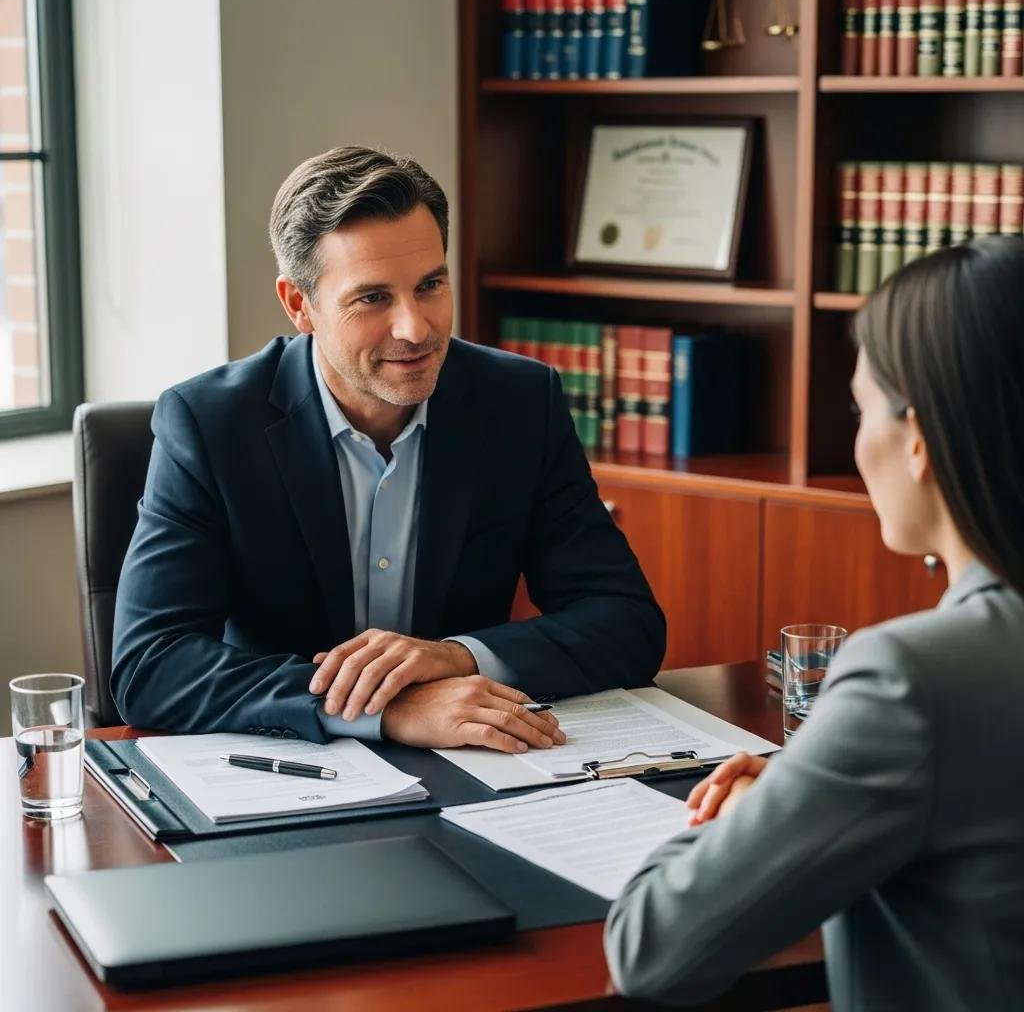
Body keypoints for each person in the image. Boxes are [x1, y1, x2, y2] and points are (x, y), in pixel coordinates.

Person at [111, 146, 665, 751]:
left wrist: (455, 659)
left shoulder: (519, 402)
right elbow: (151, 664)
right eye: (373, 298)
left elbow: (627, 623)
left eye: (430, 285)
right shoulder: (209, 424)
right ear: (300, 305)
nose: (415, 328)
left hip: (473, 765)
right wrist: (384, 709)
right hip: (285, 775)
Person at [604, 235, 1024, 1011]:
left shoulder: (912, 678)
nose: (857, 440)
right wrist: (821, 789)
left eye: (861, 408)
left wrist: (770, 815)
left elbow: (652, 948)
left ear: (919, 440)